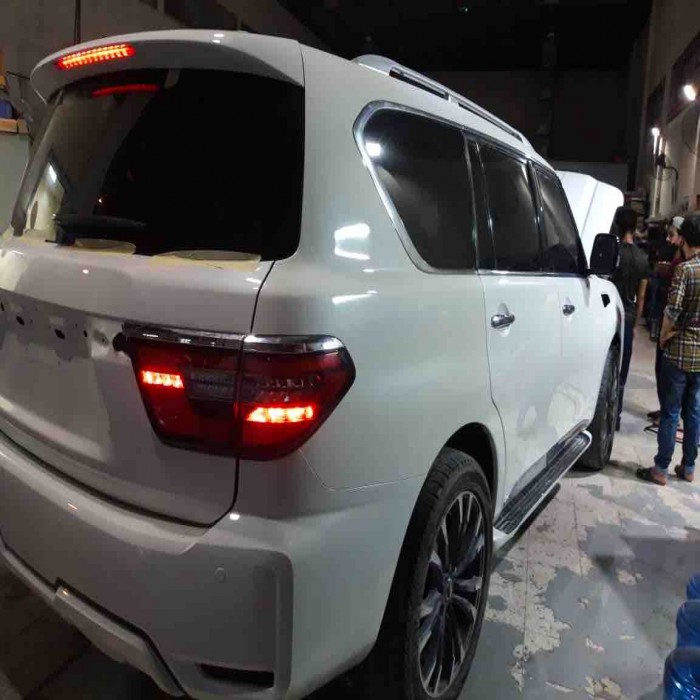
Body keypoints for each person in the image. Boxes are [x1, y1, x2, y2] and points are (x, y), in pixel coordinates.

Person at [637, 215, 700, 485]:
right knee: (694, 412)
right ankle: (689, 467)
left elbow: (672, 310)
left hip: (679, 352)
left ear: (683, 239)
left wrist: (664, 336)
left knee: (671, 411)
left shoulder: (684, 270)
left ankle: (661, 468)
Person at [612, 207, 650, 429]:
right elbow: (642, 295)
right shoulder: (642, 258)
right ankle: (615, 416)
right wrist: (635, 323)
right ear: (635, 228)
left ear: (617, 225)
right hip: (628, 315)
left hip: (609, 312)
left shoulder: (613, 252)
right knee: (622, 368)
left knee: (606, 364)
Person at [648, 216, 685, 422]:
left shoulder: (685, 264)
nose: (669, 239)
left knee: (670, 373)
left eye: (672, 235)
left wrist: (666, 331)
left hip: (673, 325)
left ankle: (670, 414)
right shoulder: (675, 257)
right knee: (661, 369)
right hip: (665, 317)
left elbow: (676, 305)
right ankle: (666, 409)